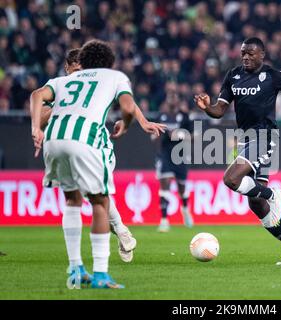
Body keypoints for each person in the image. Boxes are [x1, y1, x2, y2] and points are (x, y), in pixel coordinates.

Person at [30, 40, 166, 289]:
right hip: (86, 141)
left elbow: (36, 95)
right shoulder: (112, 77)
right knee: (100, 202)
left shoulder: (62, 82)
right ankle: (102, 273)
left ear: (82, 62)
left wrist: (35, 129)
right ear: (109, 63)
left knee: (72, 200)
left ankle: (75, 267)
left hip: (54, 139)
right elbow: (127, 105)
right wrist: (131, 124)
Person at [194, 37, 281, 265]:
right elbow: (219, 110)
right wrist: (207, 108)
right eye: (243, 53)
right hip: (244, 140)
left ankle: (273, 194)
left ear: (262, 54)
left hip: (265, 137)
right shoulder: (233, 76)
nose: (246, 57)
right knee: (256, 204)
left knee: (231, 179)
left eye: (250, 53)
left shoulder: (272, 76)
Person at [40, 48, 139, 265]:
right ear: (67, 68)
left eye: (82, 68)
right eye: (74, 68)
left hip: (98, 143)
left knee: (94, 194)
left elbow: (127, 101)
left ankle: (119, 233)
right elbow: (40, 117)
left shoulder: (94, 84)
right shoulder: (58, 87)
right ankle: (121, 234)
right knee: (91, 195)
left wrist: (140, 121)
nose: (78, 73)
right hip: (70, 143)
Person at [153, 93, 194, 232]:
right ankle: (164, 220)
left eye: (174, 97)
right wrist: (156, 135)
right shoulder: (161, 117)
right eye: (170, 97)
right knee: (164, 187)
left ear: (178, 101)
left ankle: (185, 210)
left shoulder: (185, 116)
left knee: (181, 188)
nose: (172, 99)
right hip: (165, 156)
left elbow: (193, 135)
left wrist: (181, 134)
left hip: (180, 156)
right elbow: (153, 135)